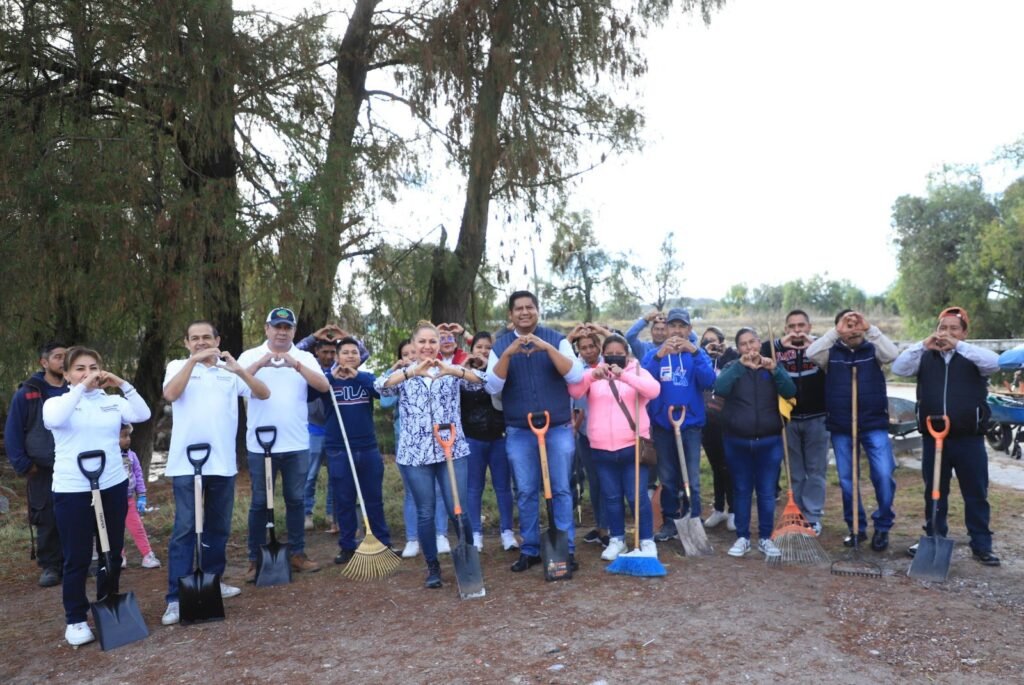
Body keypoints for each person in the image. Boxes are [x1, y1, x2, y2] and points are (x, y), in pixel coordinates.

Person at [160, 319, 269, 625]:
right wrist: (192, 363)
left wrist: (240, 371)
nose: (200, 342)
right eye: (194, 338)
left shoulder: (227, 372)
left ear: (217, 340)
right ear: (186, 343)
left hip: (222, 463)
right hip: (186, 464)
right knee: (184, 529)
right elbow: (170, 394)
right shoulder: (177, 365)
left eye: (206, 337)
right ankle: (174, 598)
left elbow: (263, 394)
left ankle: (213, 579)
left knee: (217, 527)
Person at [43, 347, 151, 646]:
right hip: (72, 489)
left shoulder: (112, 402)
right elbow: (55, 420)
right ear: (65, 374)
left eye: (93, 367)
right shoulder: (57, 403)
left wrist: (121, 383)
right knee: (77, 556)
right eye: (79, 368)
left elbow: (143, 413)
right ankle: (76, 618)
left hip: (112, 484)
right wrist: (80, 388)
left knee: (112, 550)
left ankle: (108, 600)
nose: (88, 372)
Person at [376, 321, 485, 588]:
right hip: (415, 454)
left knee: (457, 509)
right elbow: (381, 388)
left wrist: (453, 369)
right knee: (425, 511)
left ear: (439, 345)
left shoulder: (450, 371)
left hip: (452, 449)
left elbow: (482, 383)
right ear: (413, 345)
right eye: (422, 342)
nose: (427, 347)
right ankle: (432, 567)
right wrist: (410, 372)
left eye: (432, 342)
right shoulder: (404, 373)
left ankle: (469, 561)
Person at [892, 306, 1002, 566]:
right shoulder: (925, 356)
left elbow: (995, 363)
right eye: (943, 328)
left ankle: (981, 544)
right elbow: (899, 367)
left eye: (954, 328)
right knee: (934, 490)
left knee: (975, 491)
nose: (947, 333)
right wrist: (923, 344)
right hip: (934, 436)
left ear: (964, 333)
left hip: (968, 438)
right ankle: (933, 536)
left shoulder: (973, 357)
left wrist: (958, 346)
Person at [485, 291, 584, 573]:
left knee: (562, 488)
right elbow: (492, 386)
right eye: (519, 309)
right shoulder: (500, 346)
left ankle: (566, 549)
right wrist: (508, 353)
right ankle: (530, 548)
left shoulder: (557, 339)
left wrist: (547, 349)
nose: (525, 312)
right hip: (519, 430)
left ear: (538, 311)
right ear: (510, 314)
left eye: (530, 307)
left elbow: (575, 375)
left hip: (557, 428)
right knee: (526, 491)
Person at [238, 307, 330, 578]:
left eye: (287, 327)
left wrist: (297, 365)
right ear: (267, 328)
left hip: (296, 442)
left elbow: (323, 386)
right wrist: (259, 365)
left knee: (295, 499)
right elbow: (238, 387)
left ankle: (297, 553)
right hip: (259, 444)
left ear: (293, 331)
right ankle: (255, 559)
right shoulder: (250, 356)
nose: (281, 331)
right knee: (258, 502)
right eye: (276, 326)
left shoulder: (303, 357)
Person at [807, 309, 899, 552]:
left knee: (883, 474)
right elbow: (810, 352)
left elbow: (892, 354)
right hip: (841, 426)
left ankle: (882, 525)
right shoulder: (830, 354)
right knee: (848, 481)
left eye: (856, 323)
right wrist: (837, 331)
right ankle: (855, 528)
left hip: (874, 424)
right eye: (847, 324)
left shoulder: (873, 351)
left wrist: (870, 329)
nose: (853, 328)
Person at [569, 335, 660, 560]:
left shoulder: (638, 372)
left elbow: (653, 390)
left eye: (620, 353)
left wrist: (625, 376)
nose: (615, 357)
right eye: (610, 353)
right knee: (611, 496)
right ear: (603, 353)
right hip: (601, 448)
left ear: (627, 354)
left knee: (636, 495)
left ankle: (647, 540)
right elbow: (575, 391)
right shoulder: (594, 373)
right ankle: (617, 539)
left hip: (632, 446)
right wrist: (592, 375)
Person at [714, 328, 796, 558]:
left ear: (760, 343)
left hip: (769, 441)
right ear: (738, 348)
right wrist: (740, 365)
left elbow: (790, 390)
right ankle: (742, 537)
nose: (749, 348)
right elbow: (719, 389)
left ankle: (765, 538)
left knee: (766, 492)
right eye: (743, 344)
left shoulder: (772, 368)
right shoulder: (732, 368)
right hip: (737, 441)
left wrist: (776, 370)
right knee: (741, 490)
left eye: (752, 342)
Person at [641, 308, 716, 542]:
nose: (676, 330)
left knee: (691, 476)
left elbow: (709, 382)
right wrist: (659, 356)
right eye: (672, 326)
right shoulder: (655, 354)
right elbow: (644, 380)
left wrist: (695, 352)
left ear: (689, 329)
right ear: (665, 329)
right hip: (664, 425)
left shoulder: (697, 354)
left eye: (681, 326)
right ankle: (671, 521)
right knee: (668, 477)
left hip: (690, 425)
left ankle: (694, 517)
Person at [320, 337, 393, 565]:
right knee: (344, 499)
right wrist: (331, 377)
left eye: (354, 352)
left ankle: (382, 542)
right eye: (345, 352)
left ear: (359, 357)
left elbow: (381, 394)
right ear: (337, 356)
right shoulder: (327, 382)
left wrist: (357, 376)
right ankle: (347, 545)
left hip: (368, 448)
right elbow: (311, 394)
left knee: (373, 498)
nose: (350, 356)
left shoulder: (367, 378)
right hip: (339, 449)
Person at [4, 341, 69, 587]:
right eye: (57, 357)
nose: (63, 361)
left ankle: (75, 562)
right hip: (42, 467)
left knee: (76, 514)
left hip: (73, 465)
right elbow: (13, 432)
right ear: (44, 362)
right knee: (47, 516)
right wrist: (23, 464)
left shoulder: (75, 389)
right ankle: (51, 566)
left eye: (66, 356)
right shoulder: (28, 392)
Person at [380, 339, 451, 558]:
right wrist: (396, 370)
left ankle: (441, 535)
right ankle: (412, 539)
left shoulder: (439, 374)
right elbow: (384, 402)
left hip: (438, 443)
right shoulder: (400, 378)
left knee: (438, 491)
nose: (412, 356)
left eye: (414, 352)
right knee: (413, 493)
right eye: (407, 353)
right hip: (409, 448)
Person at [761, 310, 829, 535]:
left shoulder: (820, 347)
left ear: (810, 327)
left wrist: (813, 344)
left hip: (817, 417)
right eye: (792, 326)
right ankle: (798, 513)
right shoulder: (776, 350)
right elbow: (760, 352)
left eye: (801, 325)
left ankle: (814, 515)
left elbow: (834, 356)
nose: (797, 330)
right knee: (795, 471)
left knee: (816, 470)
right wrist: (781, 344)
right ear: (785, 329)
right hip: (788, 419)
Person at [461, 331, 518, 552]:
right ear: (472, 349)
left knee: (503, 487)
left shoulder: (500, 371)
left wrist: (490, 368)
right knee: (474, 488)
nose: (483, 351)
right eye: (479, 347)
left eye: (488, 348)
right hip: (472, 438)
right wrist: (465, 368)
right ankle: (476, 533)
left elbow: (502, 392)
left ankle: (507, 532)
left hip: (499, 436)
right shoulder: (462, 373)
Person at [567, 325, 609, 547]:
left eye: (592, 346)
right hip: (584, 434)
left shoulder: (608, 365)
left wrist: (601, 330)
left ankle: (611, 527)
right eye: (583, 348)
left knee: (607, 481)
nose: (589, 351)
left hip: (606, 433)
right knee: (593, 481)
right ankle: (601, 525)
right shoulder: (577, 369)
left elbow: (624, 344)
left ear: (599, 346)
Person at [698, 326, 739, 531]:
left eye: (714, 341)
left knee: (729, 466)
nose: (710, 345)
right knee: (716, 466)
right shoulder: (702, 361)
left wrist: (726, 353)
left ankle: (733, 510)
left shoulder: (730, 361)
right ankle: (719, 508)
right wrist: (705, 354)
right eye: (706, 342)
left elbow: (738, 364)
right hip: (707, 422)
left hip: (727, 421)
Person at [304, 338, 337, 533]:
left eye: (333, 352)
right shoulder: (309, 365)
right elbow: (296, 349)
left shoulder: (340, 366)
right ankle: (306, 513)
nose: (329, 356)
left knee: (335, 475)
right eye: (325, 351)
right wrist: (315, 335)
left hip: (334, 429)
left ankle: (331, 513)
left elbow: (362, 352)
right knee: (310, 475)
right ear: (317, 352)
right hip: (313, 428)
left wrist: (341, 334)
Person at [118, 424, 160, 570]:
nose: (127, 439)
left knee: (137, 528)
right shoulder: (109, 457)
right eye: (123, 436)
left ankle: (147, 555)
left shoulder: (132, 456)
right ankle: (119, 556)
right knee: (115, 530)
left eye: (128, 435)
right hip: (112, 501)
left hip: (129, 500)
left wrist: (141, 495)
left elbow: (138, 475)